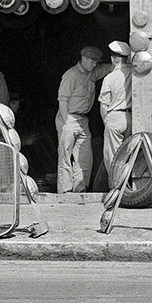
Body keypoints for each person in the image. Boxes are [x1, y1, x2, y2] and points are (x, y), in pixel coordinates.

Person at [56, 46, 111, 193]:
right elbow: (63, 100)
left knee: (85, 158)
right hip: (68, 117)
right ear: (84, 59)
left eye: (96, 63)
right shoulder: (71, 75)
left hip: (82, 120)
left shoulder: (91, 74)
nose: (95, 65)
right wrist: (67, 123)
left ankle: (79, 191)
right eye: (93, 62)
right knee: (65, 157)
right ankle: (65, 193)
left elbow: (109, 68)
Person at [98, 41, 133, 176]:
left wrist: (106, 121)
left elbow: (104, 104)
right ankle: (129, 186)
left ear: (113, 59)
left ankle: (116, 186)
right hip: (130, 118)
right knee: (129, 154)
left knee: (112, 157)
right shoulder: (133, 74)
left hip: (115, 118)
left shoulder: (109, 78)